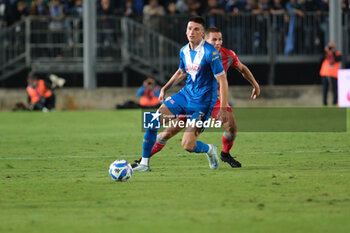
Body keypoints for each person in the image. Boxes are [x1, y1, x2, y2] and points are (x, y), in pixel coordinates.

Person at [132, 26, 260, 169]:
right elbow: (182, 72)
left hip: (213, 99)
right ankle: (143, 161)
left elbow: (242, 68)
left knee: (232, 128)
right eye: (214, 40)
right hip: (190, 98)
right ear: (205, 40)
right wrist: (165, 87)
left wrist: (255, 84)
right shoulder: (195, 54)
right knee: (166, 133)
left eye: (220, 39)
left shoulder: (228, 55)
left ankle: (225, 154)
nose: (218, 43)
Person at [319, 41, 342, 106]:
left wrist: (333, 52)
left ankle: (334, 103)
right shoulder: (326, 53)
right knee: (325, 89)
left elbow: (338, 59)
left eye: (332, 46)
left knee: (335, 89)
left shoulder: (338, 53)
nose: (331, 48)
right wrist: (326, 51)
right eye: (330, 46)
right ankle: (324, 103)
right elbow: (320, 60)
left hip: (334, 74)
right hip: (325, 74)